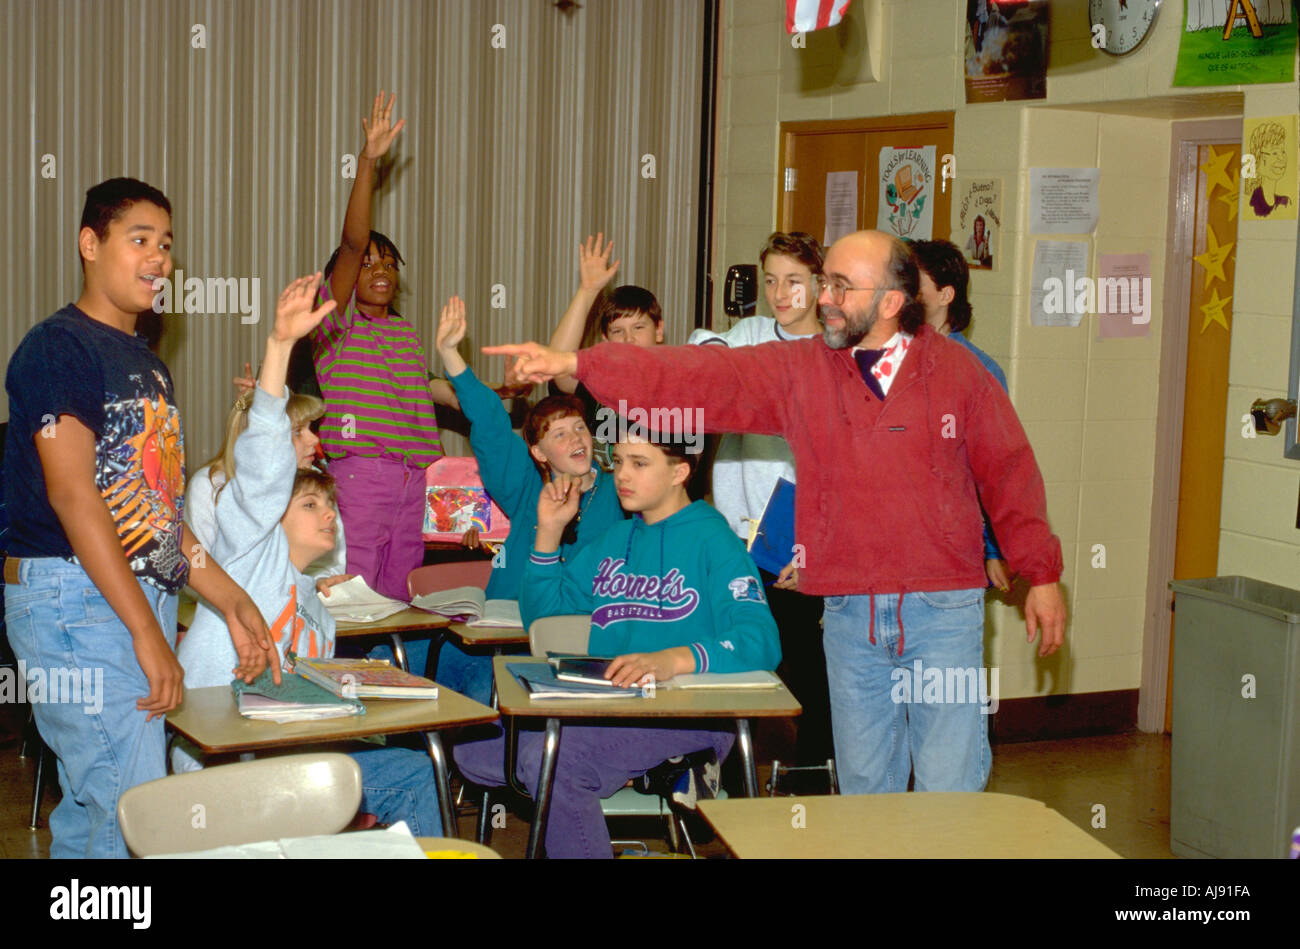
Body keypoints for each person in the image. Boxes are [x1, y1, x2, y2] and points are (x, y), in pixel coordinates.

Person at [484, 229, 1067, 796]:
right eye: (827, 284)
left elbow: (1010, 471)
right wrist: (579, 363)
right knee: (865, 783)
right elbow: (698, 377)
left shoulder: (959, 374)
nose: (825, 300)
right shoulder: (803, 370)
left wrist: (1040, 573)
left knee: (949, 781)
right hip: (847, 611)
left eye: (841, 287)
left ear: (891, 302)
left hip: (942, 607)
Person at [3, 177, 276, 858]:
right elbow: (74, 497)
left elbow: (157, 521)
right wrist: (143, 632)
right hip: (72, 596)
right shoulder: (59, 347)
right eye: (140, 239)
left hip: (127, 591)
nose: (159, 258)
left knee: (101, 808)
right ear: (89, 244)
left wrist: (232, 598)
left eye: (167, 244)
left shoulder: (150, 367)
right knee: (138, 814)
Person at [175, 274, 442, 835]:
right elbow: (265, 469)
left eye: (330, 504)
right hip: (225, 765)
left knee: (417, 769)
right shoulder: (248, 550)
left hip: (294, 753)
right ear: (272, 511)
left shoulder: (318, 604)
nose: (329, 515)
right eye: (312, 503)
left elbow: (304, 687)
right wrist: (279, 348)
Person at [454, 432, 781, 857]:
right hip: (607, 705)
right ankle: (653, 773)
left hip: (687, 712)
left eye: (639, 464)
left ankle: (664, 766)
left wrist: (674, 659)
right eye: (619, 461)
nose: (621, 475)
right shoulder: (615, 539)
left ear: (679, 472)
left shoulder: (714, 540)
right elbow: (544, 618)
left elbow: (761, 640)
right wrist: (548, 534)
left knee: (549, 763)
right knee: (470, 749)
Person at [425, 296, 625, 704]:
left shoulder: (622, 493)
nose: (576, 439)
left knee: (491, 693)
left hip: (582, 647)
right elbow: (491, 421)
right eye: (560, 434)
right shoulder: (524, 486)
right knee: (424, 669)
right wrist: (450, 354)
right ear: (538, 453)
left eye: (580, 428)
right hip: (504, 638)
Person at [689, 230, 832, 767]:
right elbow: (704, 345)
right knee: (730, 654)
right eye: (771, 280)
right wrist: (721, 355)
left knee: (806, 662)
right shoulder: (750, 332)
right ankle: (718, 776)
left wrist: (813, 548)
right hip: (737, 535)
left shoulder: (835, 351)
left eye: (794, 281)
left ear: (820, 285)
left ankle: (812, 775)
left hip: (799, 541)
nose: (781, 293)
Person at [310, 92, 456, 600]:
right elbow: (352, 241)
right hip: (360, 475)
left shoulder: (404, 333)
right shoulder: (336, 322)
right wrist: (369, 159)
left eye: (389, 265)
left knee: (400, 594)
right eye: (369, 264)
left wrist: (492, 394)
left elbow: (431, 388)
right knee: (353, 592)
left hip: (413, 479)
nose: (380, 271)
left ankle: (392, 677)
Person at [912, 238, 1011, 594]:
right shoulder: (880, 359)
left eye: (915, 286)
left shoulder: (980, 372)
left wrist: (994, 549)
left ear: (945, 295)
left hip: (951, 555)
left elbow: (994, 468)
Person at [186, 387, 350, 588]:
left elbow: (331, 561)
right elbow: (197, 563)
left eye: (310, 428)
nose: (314, 440)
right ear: (258, 439)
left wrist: (318, 582)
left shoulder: (315, 484)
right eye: (298, 431)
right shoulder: (209, 485)